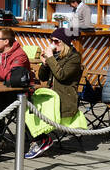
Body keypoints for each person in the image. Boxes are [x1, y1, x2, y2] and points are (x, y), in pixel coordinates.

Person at [26, 27, 83, 158]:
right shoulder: (56, 56)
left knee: (31, 109)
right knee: (25, 107)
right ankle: (40, 139)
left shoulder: (74, 58)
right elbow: (43, 77)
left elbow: (61, 75)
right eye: (51, 41)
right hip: (51, 97)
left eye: (56, 41)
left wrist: (51, 58)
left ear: (65, 43)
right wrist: (45, 64)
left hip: (63, 100)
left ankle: (40, 140)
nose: (53, 44)